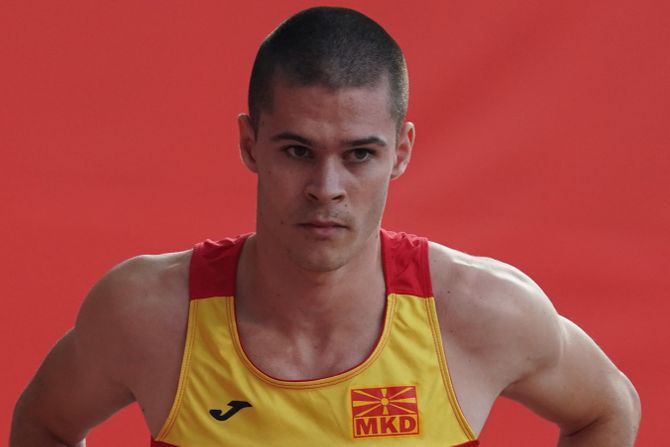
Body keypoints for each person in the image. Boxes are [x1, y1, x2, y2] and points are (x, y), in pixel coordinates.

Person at [11, 6, 640, 447]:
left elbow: (608, 410)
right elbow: (43, 426)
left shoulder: (480, 311)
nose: (326, 187)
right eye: (297, 150)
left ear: (401, 152)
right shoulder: (150, 313)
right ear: (250, 143)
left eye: (359, 154)